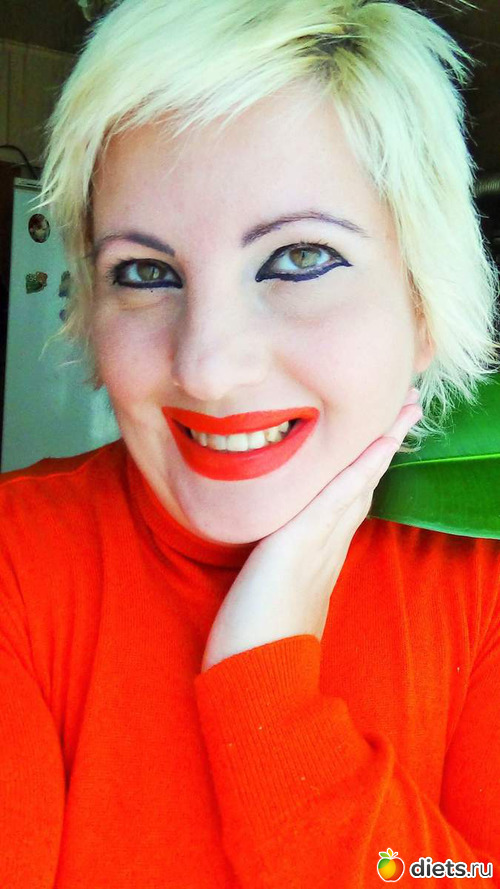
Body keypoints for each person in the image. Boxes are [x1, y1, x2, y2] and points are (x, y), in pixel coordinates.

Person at [1, 0, 499, 885]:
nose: (208, 368)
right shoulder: (19, 563)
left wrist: (265, 688)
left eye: (300, 258)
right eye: (144, 272)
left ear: (426, 302)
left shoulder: (480, 587)